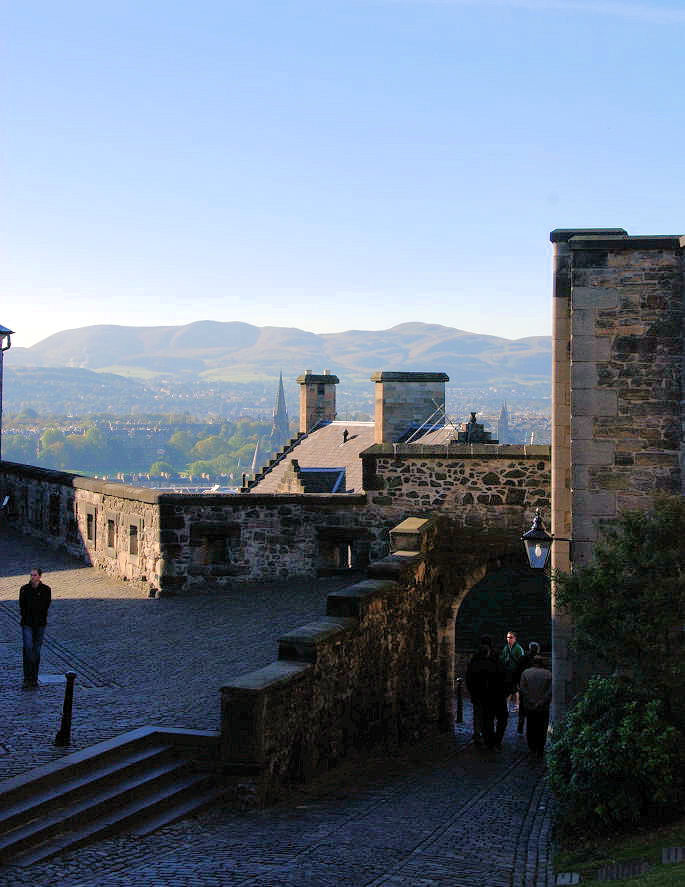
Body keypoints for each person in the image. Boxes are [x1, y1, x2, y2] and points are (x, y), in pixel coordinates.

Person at [19, 568, 51, 688]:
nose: (32, 577)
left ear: (39, 576)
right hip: (27, 623)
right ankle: (27, 677)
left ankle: (34, 677)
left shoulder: (46, 590)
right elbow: (22, 605)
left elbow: (45, 605)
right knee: (28, 649)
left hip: (40, 624)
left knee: (36, 650)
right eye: (31, 575)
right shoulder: (24, 589)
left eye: (35, 575)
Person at [465, 636, 497, 747]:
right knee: (488, 715)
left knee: (477, 714)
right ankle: (487, 734)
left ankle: (478, 734)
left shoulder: (474, 661)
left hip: (477, 693)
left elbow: (469, 677)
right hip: (488, 694)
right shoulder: (492, 663)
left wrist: (471, 690)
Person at [519, 654, 553, 758]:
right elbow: (550, 691)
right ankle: (540, 747)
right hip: (542, 706)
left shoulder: (526, 673)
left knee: (531, 726)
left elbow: (523, 689)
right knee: (542, 727)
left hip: (530, 705)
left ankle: (532, 746)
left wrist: (531, 700)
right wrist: (541, 701)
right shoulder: (548, 674)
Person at [516, 641, 540, 734]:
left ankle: (520, 727)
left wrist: (518, 684)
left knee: (523, 707)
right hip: (534, 686)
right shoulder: (537, 660)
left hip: (524, 685)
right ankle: (530, 728)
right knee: (532, 707)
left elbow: (517, 671)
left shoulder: (523, 658)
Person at [500, 630, 524, 712]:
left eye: (510, 637)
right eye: (507, 637)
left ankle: (517, 705)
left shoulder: (518, 648)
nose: (508, 639)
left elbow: (521, 660)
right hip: (508, 671)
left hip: (516, 671)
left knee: (515, 689)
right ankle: (509, 706)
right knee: (510, 689)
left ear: (515, 639)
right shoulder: (506, 647)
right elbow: (502, 658)